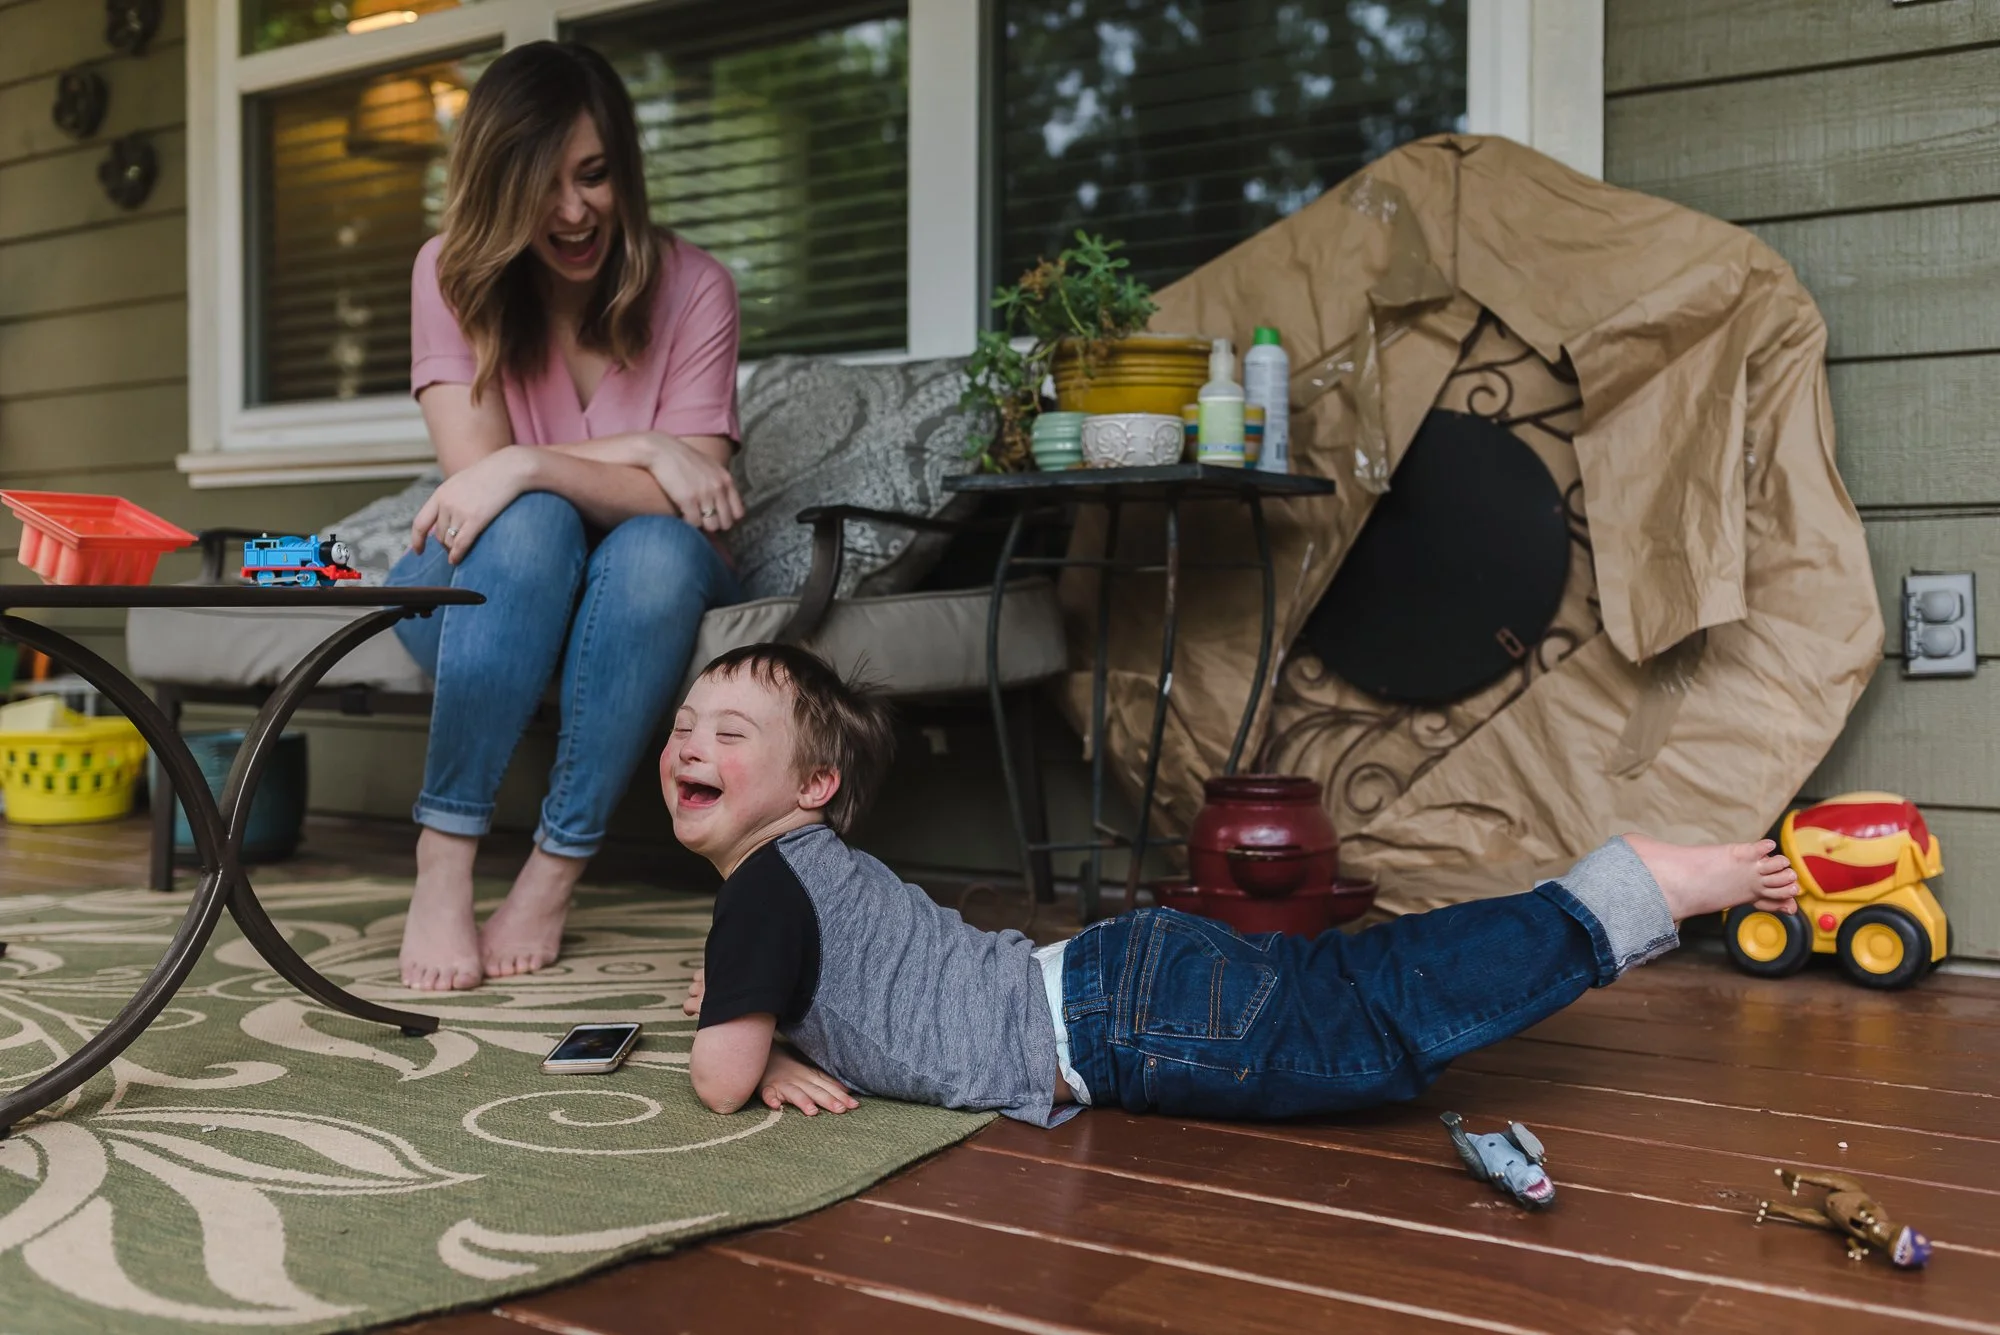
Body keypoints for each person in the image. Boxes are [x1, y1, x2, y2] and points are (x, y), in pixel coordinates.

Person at [671, 643, 1803, 1125]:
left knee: (1371, 1031)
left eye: (728, 733)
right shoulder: (798, 882)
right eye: (682, 727)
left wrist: (756, 1049)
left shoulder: (759, 895)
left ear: (814, 783)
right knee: (1353, 984)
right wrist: (753, 1013)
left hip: (1121, 1025)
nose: (687, 747)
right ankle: (1613, 896)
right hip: (1117, 979)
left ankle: (1619, 896)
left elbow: (719, 1080)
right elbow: (795, 985)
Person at [389, 41, 745, 992]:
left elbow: (699, 493)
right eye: (541, 184)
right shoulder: (448, 275)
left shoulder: (697, 286)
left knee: (660, 551)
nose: (573, 210)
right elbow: (482, 496)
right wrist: (640, 448)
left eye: (593, 176)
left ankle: (553, 872)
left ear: (624, 169)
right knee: (534, 526)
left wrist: (535, 459)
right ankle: (445, 859)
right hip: (488, 589)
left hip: (642, 599)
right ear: (496, 185)